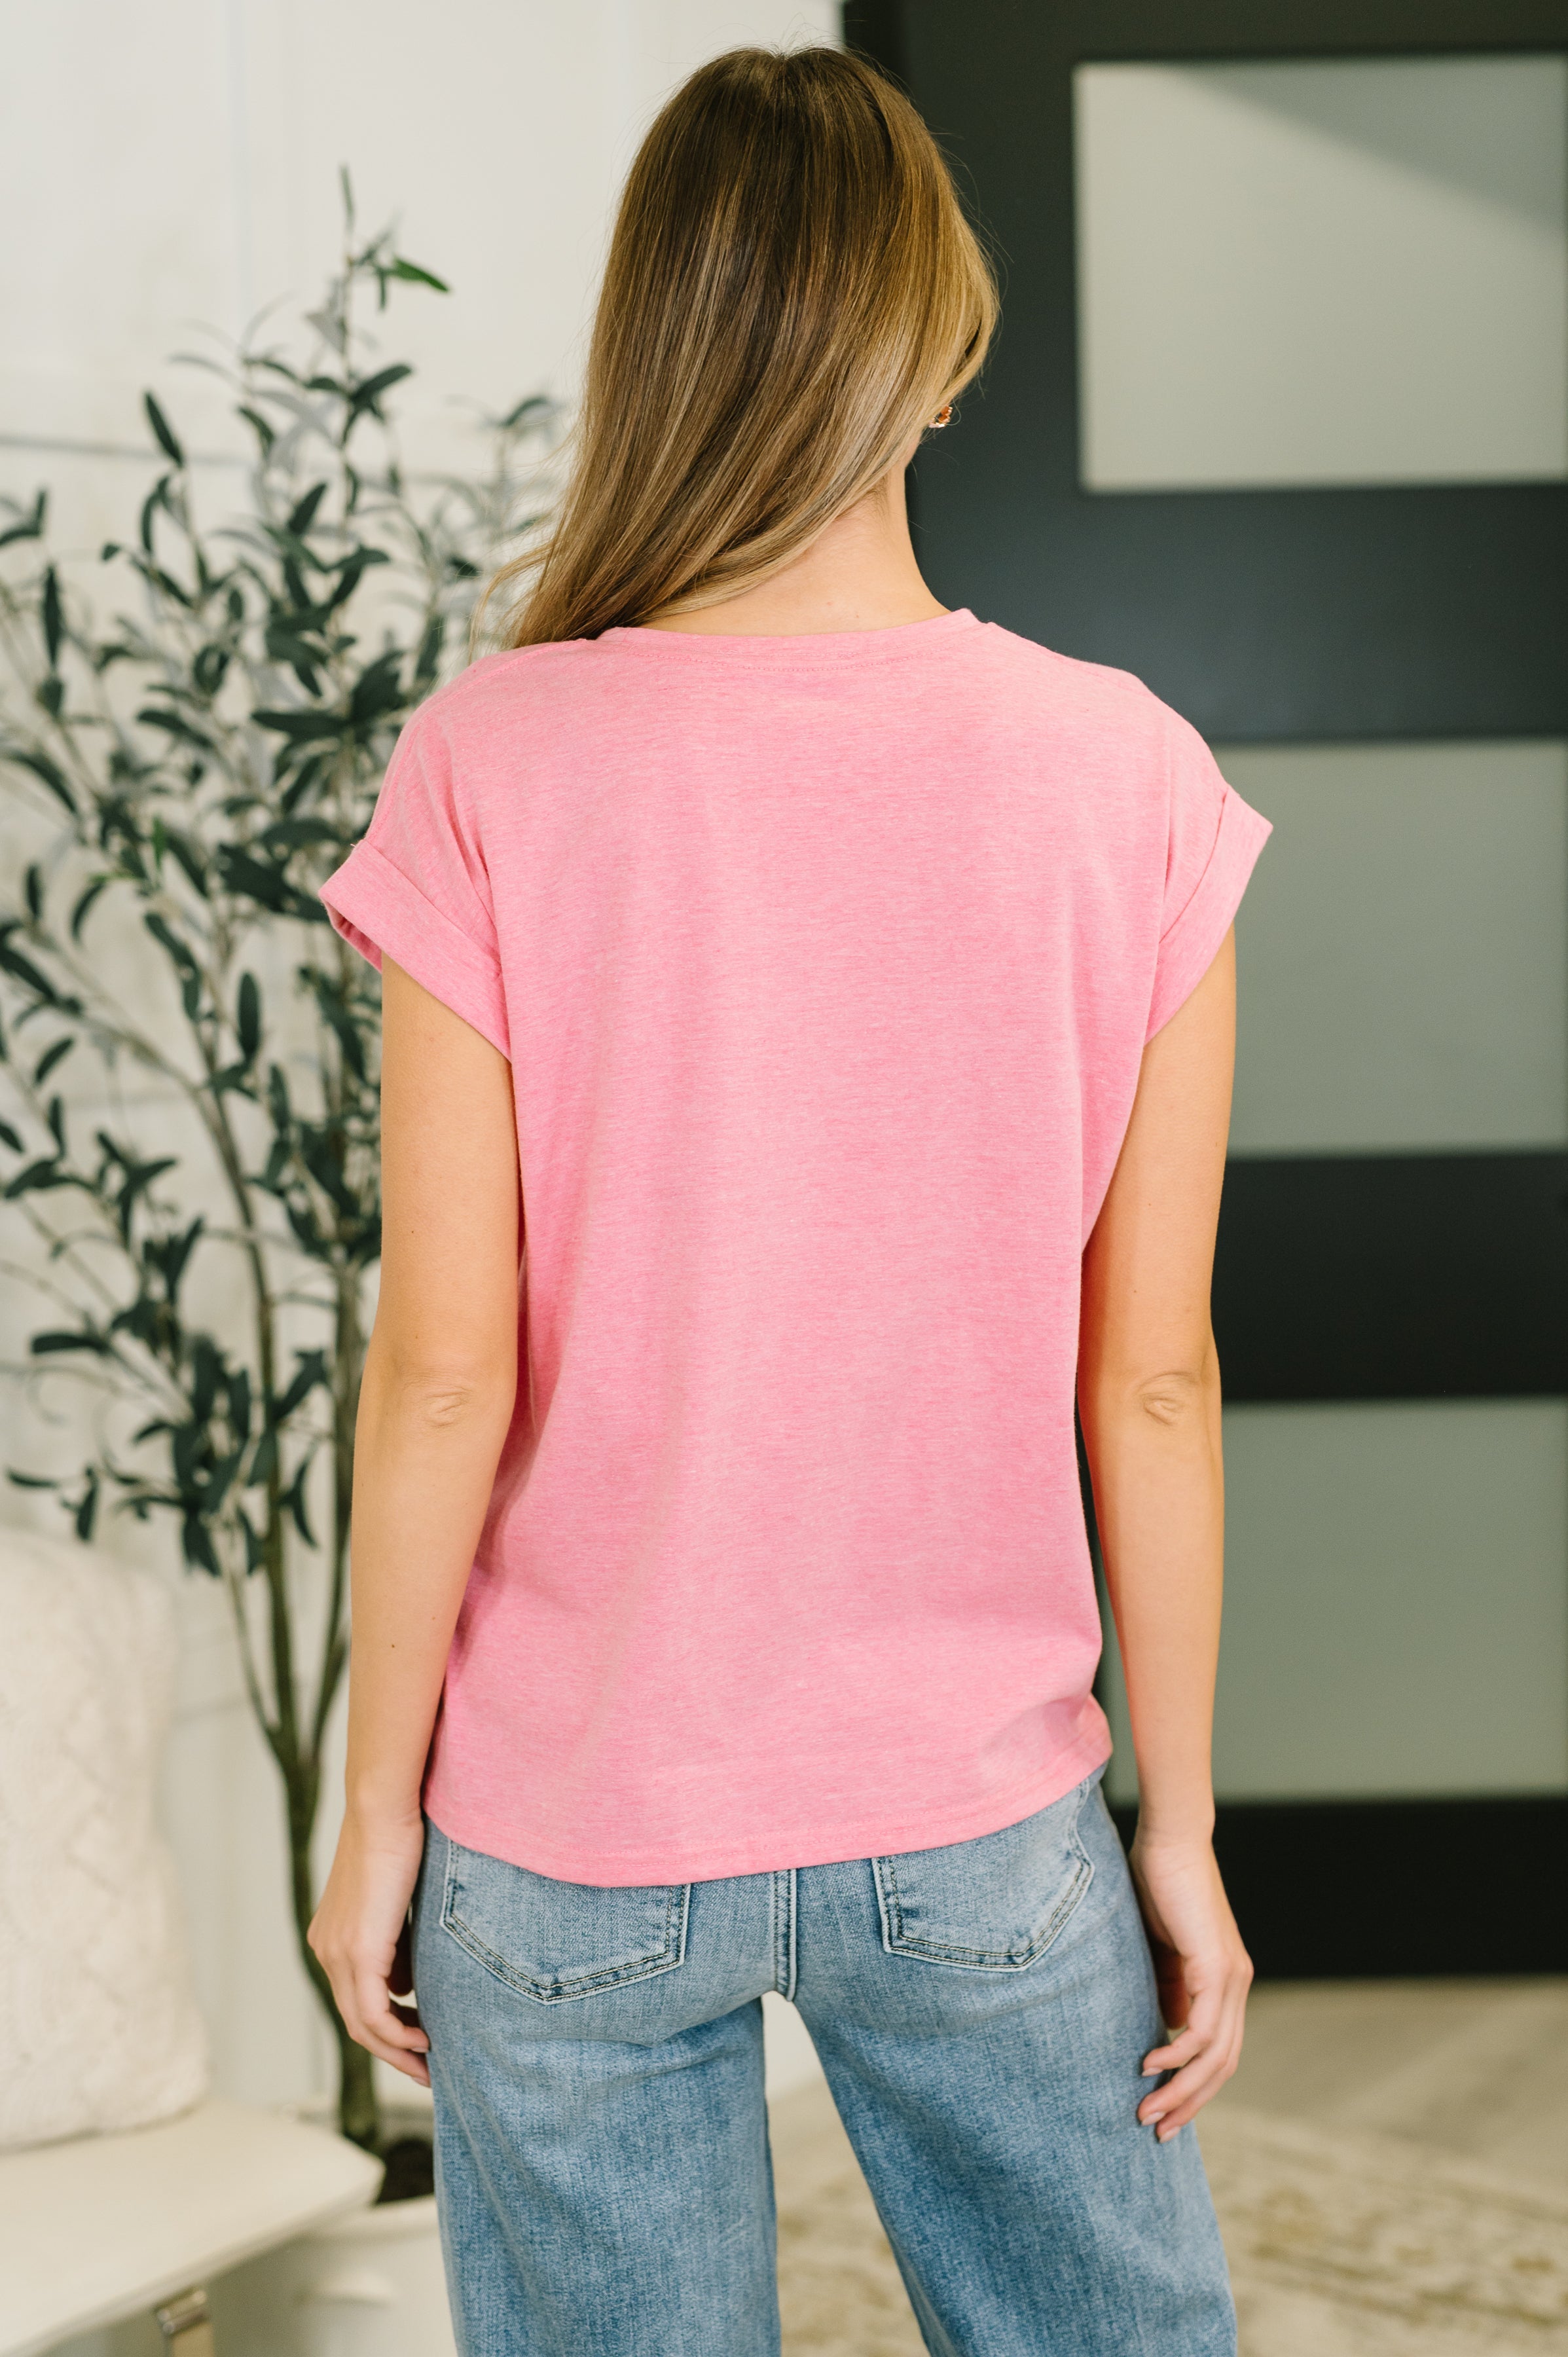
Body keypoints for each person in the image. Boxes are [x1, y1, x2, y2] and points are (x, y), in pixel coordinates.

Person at [310, 42, 1269, 2357]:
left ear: (664, 352)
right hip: (980, 1821)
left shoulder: (491, 760)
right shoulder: (1125, 773)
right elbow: (1146, 1377)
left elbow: (443, 1371)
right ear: (939, 349)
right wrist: (1183, 1827)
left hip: (570, 1825)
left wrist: (371, 1822)